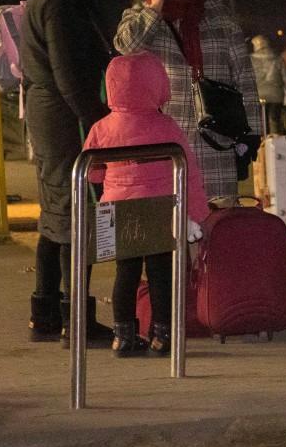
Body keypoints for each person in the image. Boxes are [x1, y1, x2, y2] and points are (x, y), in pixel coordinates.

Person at [15, 0, 115, 345]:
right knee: (79, 215)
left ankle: (45, 316)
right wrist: (101, 123)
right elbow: (70, 75)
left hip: (47, 116)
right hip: (65, 119)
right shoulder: (60, 0)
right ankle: (76, 321)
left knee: (55, 216)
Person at [113, 0, 262, 200]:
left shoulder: (218, 16)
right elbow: (126, 46)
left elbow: (244, 75)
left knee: (217, 223)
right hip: (166, 140)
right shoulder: (142, 15)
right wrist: (155, 6)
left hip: (216, 141)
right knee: (174, 225)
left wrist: (251, 132)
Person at [82, 52, 209, 356]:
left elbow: (93, 172)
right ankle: (162, 335)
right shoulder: (166, 126)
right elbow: (189, 171)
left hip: (118, 212)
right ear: (158, 85)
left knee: (125, 273)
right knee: (161, 274)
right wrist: (199, 213)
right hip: (158, 211)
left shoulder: (101, 128)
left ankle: (123, 336)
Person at [250, 35, 286, 134]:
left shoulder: (250, 60)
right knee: (274, 121)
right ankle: (275, 144)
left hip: (257, 97)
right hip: (276, 96)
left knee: (259, 123)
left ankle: (261, 145)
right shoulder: (278, 59)